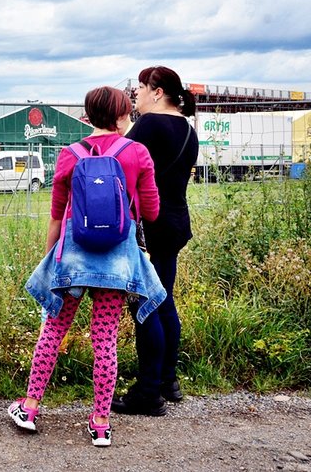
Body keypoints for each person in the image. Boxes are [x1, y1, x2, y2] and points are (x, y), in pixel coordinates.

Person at [8, 86, 163, 447]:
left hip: (73, 261)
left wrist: (51, 259)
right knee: (105, 339)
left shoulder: (69, 155)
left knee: (53, 330)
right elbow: (152, 212)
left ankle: (29, 408)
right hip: (116, 263)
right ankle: (101, 422)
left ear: (89, 115)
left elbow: (57, 216)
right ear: (123, 115)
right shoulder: (137, 153)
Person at [112, 66, 199, 416]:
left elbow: (118, 160)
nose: (136, 93)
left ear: (158, 91)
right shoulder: (187, 129)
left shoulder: (149, 125)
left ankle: (148, 391)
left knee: (145, 304)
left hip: (151, 226)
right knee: (164, 301)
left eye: (141, 87)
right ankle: (167, 380)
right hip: (176, 221)